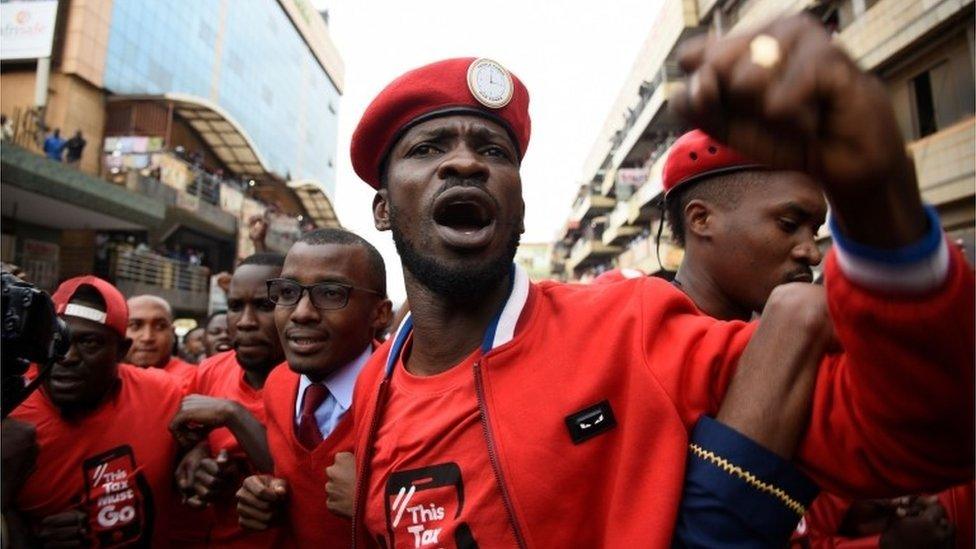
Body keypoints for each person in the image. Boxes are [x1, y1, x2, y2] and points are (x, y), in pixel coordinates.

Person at [344, 16, 973, 547]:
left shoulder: (633, 327)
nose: (466, 161)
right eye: (428, 148)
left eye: (494, 151)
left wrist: (879, 203)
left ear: (519, 202)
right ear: (381, 209)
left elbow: (924, 435)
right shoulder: (374, 384)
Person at [235, 228, 391, 547]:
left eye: (331, 293)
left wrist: (375, 503)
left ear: (380, 314)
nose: (302, 313)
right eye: (288, 292)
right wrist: (267, 496)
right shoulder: (278, 384)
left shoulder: (403, 395)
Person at [8, 276, 183, 547]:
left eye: (89, 342)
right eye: (57, 339)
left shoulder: (162, 393)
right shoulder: (9, 409)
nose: (67, 356)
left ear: (122, 351)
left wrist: (199, 453)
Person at [169, 252, 288, 547]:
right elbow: (195, 444)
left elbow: (303, 481)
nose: (246, 322)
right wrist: (199, 460)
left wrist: (232, 414)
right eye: (235, 306)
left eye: (264, 305)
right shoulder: (211, 370)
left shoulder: (314, 383)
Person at [126, 294, 196, 388]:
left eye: (160, 327)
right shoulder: (104, 379)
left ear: (173, 334)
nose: (147, 337)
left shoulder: (196, 381)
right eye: (135, 326)